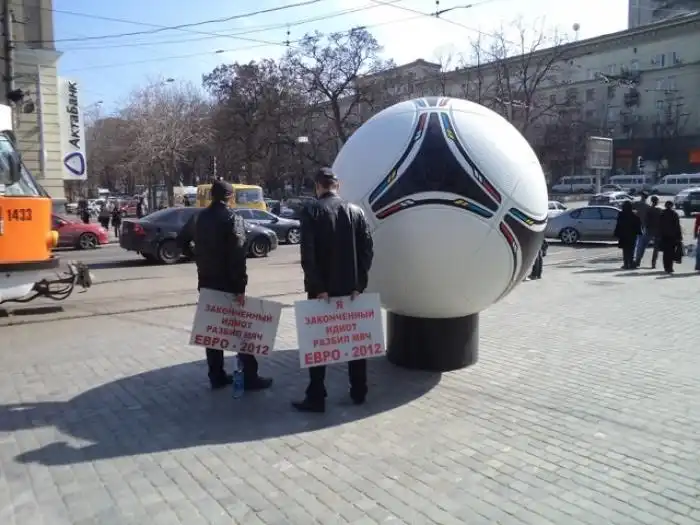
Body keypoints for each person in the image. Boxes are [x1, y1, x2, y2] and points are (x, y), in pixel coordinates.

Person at [293, 168, 374, 413]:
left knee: (319, 344)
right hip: (351, 290)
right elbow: (367, 250)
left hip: (322, 292)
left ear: (318, 186)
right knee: (355, 341)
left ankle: (316, 396)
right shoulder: (356, 211)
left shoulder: (311, 211)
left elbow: (308, 254)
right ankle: (359, 391)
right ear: (337, 186)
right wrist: (359, 285)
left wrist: (318, 287)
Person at [188, 180, 273, 390]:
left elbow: (185, 242)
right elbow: (238, 255)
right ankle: (250, 376)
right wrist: (240, 287)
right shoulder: (232, 218)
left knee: (212, 331)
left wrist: (201, 262)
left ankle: (216, 375)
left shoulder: (199, 217)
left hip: (206, 281)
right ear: (230, 197)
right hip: (228, 283)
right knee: (242, 331)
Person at [614, 201, 641, 270]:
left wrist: (617, 233)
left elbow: (618, 224)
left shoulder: (621, 215)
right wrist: (639, 232)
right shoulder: (634, 215)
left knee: (625, 250)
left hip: (623, 235)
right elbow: (637, 224)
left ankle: (626, 264)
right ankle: (631, 263)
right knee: (631, 250)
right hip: (632, 235)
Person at [658, 200, 682, 274]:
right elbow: (677, 226)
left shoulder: (662, 213)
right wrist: (679, 236)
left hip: (664, 235)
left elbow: (659, 225)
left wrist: (659, 234)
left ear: (665, 205)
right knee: (671, 252)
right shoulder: (674, 214)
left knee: (665, 252)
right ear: (672, 206)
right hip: (672, 236)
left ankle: (666, 267)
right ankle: (670, 267)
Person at [632, 192, 650, 268]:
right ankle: (638, 260)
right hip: (644, 226)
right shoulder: (648, 206)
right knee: (641, 245)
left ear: (642, 196)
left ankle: (633, 260)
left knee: (635, 244)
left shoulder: (636, 204)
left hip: (636, 225)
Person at [644, 196, 662, 269]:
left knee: (642, 245)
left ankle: (637, 260)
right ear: (657, 201)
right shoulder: (659, 210)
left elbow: (646, 220)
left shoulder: (649, 209)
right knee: (656, 248)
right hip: (658, 230)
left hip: (649, 230)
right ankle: (653, 263)